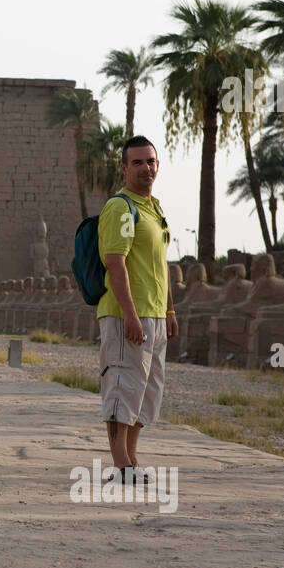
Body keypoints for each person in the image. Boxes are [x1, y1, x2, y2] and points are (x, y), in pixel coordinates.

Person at [97, 135, 175, 486]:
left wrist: (170, 311)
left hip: (155, 314)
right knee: (122, 385)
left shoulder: (154, 210)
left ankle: (131, 460)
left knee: (146, 391)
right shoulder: (121, 207)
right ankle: (121, 466)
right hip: (127, 313)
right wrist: (129, 314)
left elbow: (161, 265)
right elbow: (116, 263)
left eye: (151, 162)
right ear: (124, 167)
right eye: (139, 163)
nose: (147, 168)